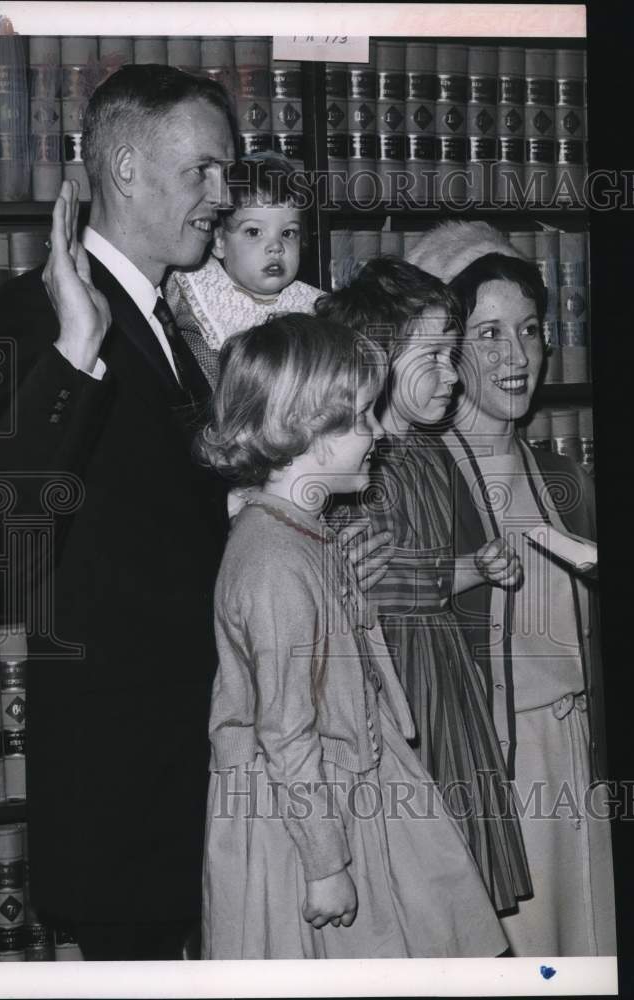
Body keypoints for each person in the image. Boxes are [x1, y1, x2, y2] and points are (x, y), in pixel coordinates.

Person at [0, 64, 390, 960]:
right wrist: (76, 353)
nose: (219, 196)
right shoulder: (37, 315)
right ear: (123, 169)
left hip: (195, 783)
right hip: (124, 794)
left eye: (224, 173)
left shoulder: (169, 323)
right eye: (201, 170)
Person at [198, 312, 509, 959]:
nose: (376, 434)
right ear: (307, 431)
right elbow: (284, 732)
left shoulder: (302, 533)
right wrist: (323, 865)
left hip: (350, 783)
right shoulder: (273, 562)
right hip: (303, 819)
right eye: (361, 419)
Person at [407, 221, 616, 956]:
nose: (516, 356)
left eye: (528, 330)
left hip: (573, 765)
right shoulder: (414, 483)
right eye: (488, 333)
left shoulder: (563, 480)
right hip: (484, 774)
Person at [315, 257, 533, 915]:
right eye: (434, 356)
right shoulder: (358, 460)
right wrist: (462, 570)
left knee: (454, 878)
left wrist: (479, 564)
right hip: (392, 680)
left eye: (452, 354)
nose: (450, 373)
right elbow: (380, 585)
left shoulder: (431, 449)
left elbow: (417, 568)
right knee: (417, 873)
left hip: (441, 673)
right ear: (378, 359)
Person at [164, 152, 321, 387]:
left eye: (288, 233)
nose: (276, 247)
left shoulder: (315, 306)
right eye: (254, 232)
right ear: (219, 241)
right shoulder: (195, 290)